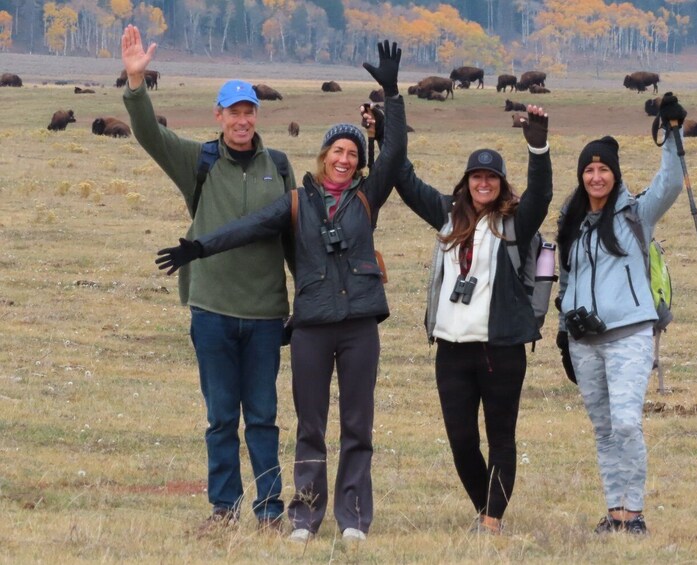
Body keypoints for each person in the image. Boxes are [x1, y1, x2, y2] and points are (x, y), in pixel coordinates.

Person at [155, 40, 406, 543]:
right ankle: (305, 516)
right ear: (323, 156)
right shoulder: (297, 200)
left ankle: (354, 516)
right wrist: (198, 248)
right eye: (337, 150)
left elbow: (395, 155)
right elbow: (248, 227)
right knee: (308, 426)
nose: (344, 158)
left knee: (357, 426)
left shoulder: (367, 197)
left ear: (359, 164)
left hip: (358, 323)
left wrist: (393, 96)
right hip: (311, 324)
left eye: (353, 153)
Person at [120, 24, 297, 534]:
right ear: (218, 116)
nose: (242, 121)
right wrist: (136, 84)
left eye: (249, 112)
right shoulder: (197, 161)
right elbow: (150, 135)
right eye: (233, 113)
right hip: (213, 310)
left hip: (265, 314)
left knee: (263, 417)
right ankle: (224, 510)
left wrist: (304, 296)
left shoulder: (278, 166)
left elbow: (292, 239)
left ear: (256, 116)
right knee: (222, 418)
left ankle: (269, 513)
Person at [390, 105, 552, 535]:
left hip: (500, 349)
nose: (484, 183)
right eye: (477, 177)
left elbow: (542, 195)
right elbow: (403, 179)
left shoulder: (515, 222)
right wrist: (389, 115)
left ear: (501, 184)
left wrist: (538, 149)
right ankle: (485, 507)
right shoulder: (447, 215)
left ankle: (492, 520)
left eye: (491, 177)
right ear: (466, 183)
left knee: (500, 437)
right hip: (451, 349)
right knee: (461, 440)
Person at [555, 93, 687, 535]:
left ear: (615, 174)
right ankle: (615, 513)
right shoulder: (571, 223)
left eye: (603, 168)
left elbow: (670, 183)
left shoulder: (637, 214)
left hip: (629, 333)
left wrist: (671, 131)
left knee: (628, 423)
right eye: (589, 169)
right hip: (583, 342)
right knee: (605, 429)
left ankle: (636, 512)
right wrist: (562, 333)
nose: (596, 176)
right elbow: (567, 282)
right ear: (581, 175)